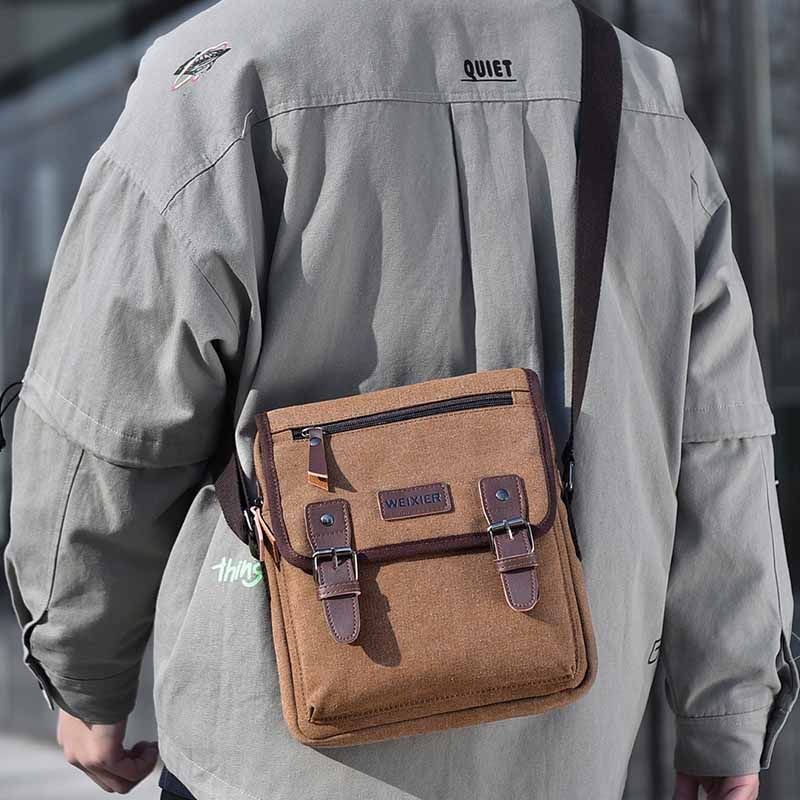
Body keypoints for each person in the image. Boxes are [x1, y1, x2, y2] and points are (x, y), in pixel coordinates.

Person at [3, 1, 797, 798]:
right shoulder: (638, 89)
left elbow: (104, 418)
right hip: (566, 749)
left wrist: (81, 670)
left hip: (276, 752)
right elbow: (718, 438)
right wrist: (728, 713)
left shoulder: (221, 73)